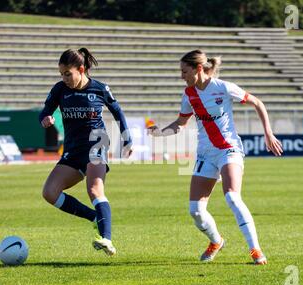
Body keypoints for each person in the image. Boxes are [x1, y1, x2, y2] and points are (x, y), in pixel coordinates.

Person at [148, 49, 283, 265]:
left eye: (184, 71)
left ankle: (255, 250)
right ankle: (216, 241)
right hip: (205, 154)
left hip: (228, 148)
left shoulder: (223, 87)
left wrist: (268, 133)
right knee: (196, 211)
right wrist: (160, 133)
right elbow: (181, 124)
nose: (181, 76)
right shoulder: (189, 94)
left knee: (231, 196)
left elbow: (257, 102)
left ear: (198, 68)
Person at [40, 48, 133, 256]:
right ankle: (94, 217)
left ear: (81, 69)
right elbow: (45, 110)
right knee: (49, 193)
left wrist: (127, 138)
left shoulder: (100, 88)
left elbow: (117, 112)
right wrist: (45, 118)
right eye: (61, 74)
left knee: (94, 190)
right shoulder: (59, 90)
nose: (64, 78)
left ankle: (106, 238)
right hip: (73, 149)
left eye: (67, 74)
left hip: (96, 143)